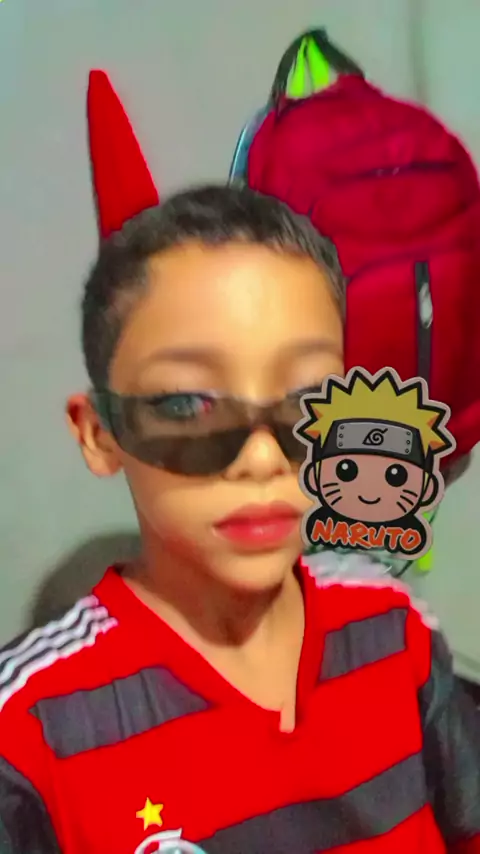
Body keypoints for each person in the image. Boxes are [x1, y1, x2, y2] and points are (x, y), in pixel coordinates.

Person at [0, 72, 479, 854]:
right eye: (190, 404)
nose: (261, 457)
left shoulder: (395, 635)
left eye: (309, 399)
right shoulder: (30, 736)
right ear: (98, 433)